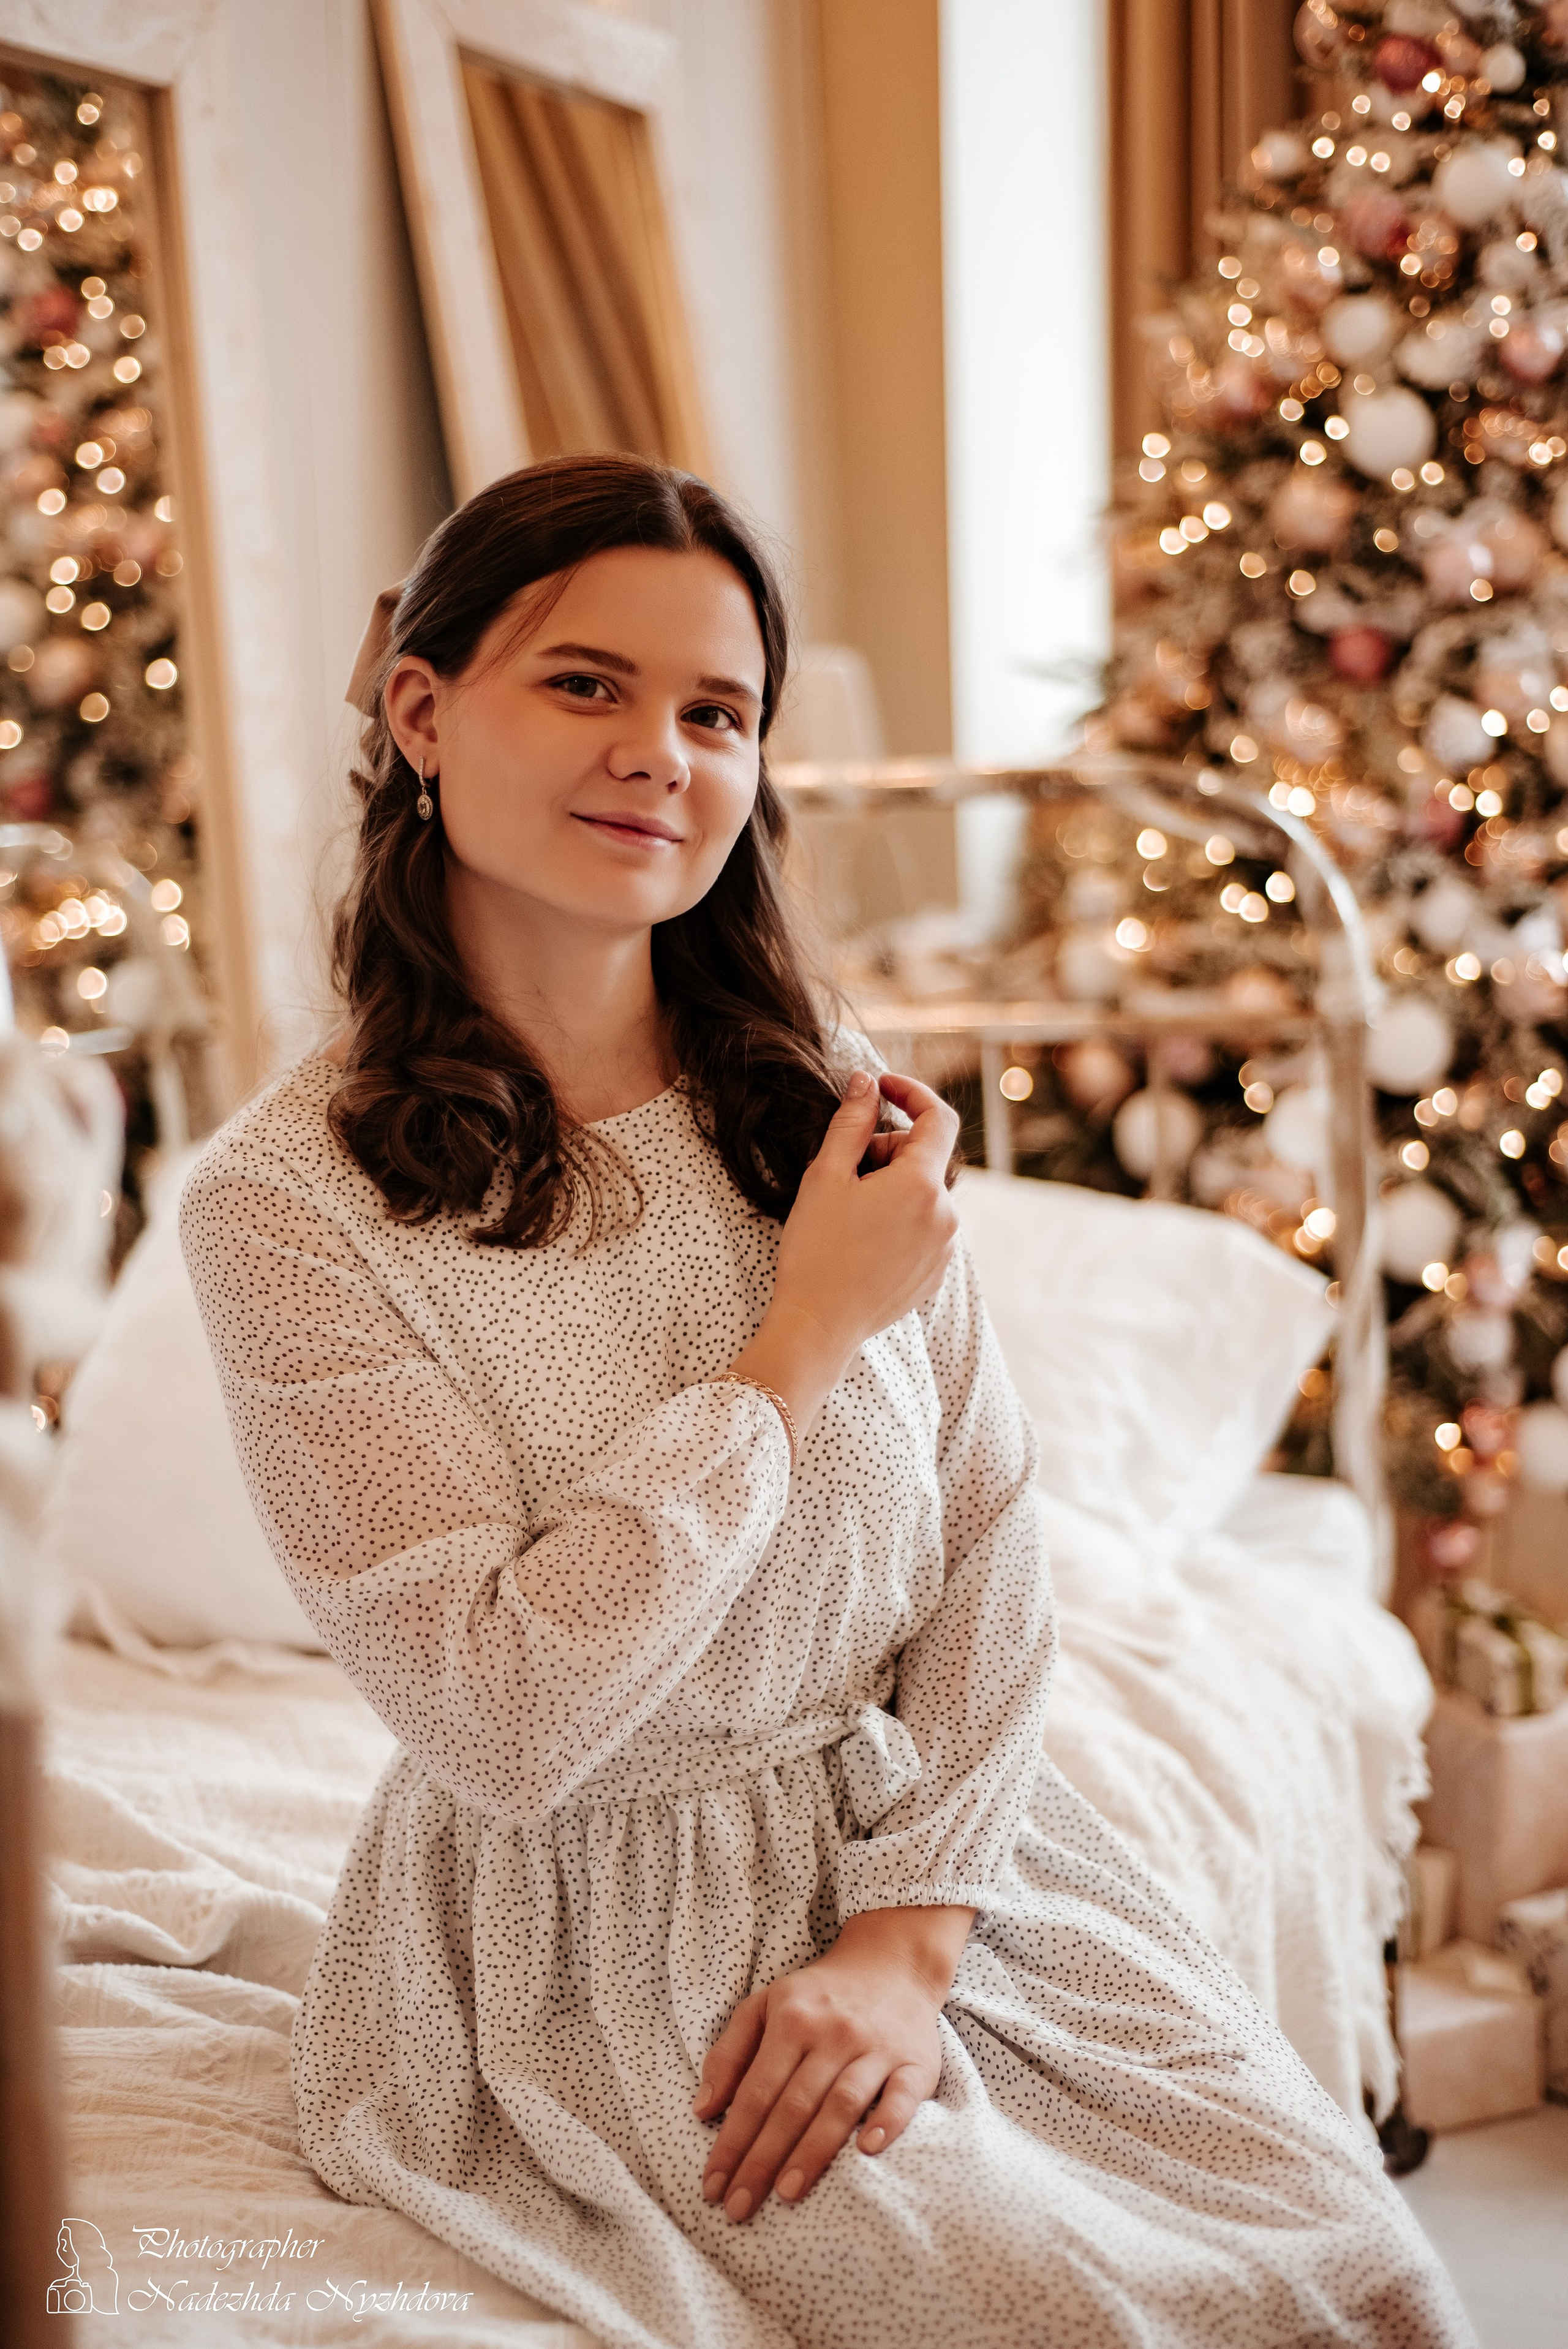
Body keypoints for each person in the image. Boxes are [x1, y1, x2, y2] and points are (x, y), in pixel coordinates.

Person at [182, 454, 1472, 2349]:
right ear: (422, 708)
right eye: (587, 684)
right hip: (591, 1945)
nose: (660, 753)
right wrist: (796, 1346)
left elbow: (985, 1535)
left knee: (1356, 2274)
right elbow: (507, 1713)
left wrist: (906, 1936)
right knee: (1089, 2315)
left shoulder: (820, 1096)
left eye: (717, 711)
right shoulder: (288, 1208)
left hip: (937, 1866)